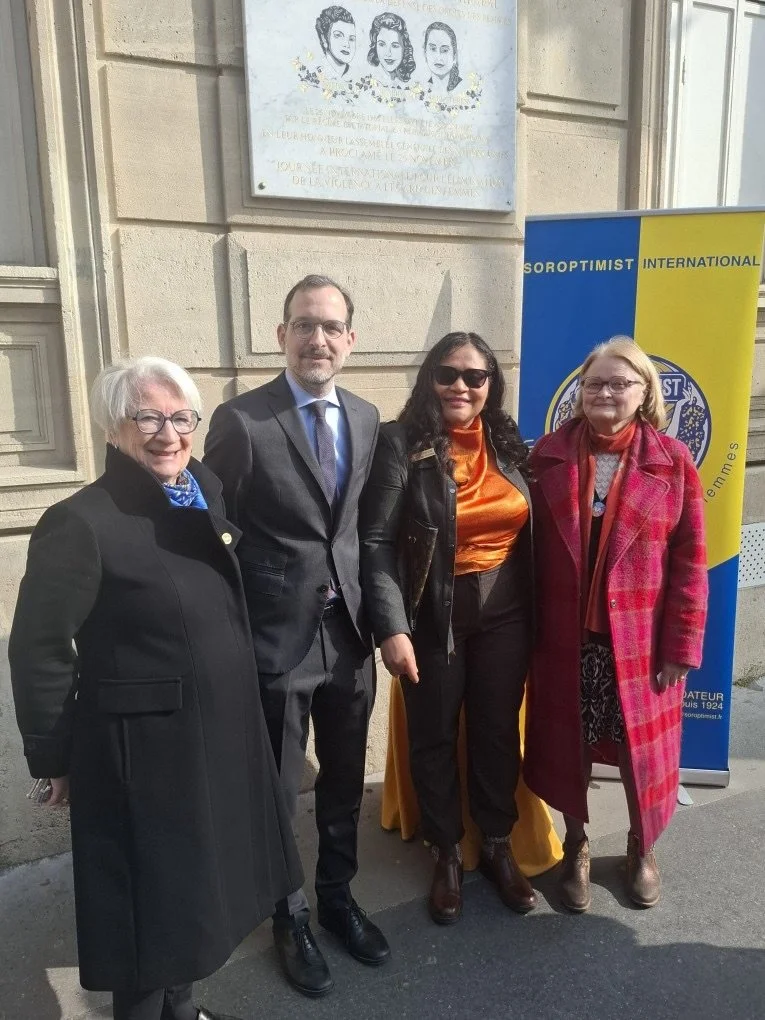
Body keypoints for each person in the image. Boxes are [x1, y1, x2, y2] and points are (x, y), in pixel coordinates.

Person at [9, 357, 303, 1020]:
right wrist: (54, 757)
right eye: (147, 419)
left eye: (180, 417)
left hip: (213, 735)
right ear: (113, 429)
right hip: (140, 754)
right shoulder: (81, 522)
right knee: (148, 921)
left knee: (191, 900)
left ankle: (183, 1009)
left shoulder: (201, 488)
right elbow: (38, 647)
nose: (168, 434)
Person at [203, 275, 388, 998]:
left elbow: (361, 530)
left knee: (343, 779)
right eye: (304, 325)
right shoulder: (243, 421)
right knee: (278, 790)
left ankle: (337, 897)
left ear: (350, 340)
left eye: (331, 326)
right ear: (281, 335)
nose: (318, 339)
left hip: (348, 635)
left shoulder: (367, 417)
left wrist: (386, 620)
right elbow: (217, 533)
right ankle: (289, 915)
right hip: (276, 637)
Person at [361, 332, 542, 925]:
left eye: (474, 376)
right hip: (433, 613)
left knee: (496, 730)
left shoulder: (508, 442)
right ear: (429, 379)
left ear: (492, 384)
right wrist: (391, 626)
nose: (460, 386)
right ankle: (445, 850)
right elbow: (377, 541)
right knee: (433, 733)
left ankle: (496, 843)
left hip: (507, 611)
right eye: (447, 374)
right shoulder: (400, 442)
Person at [524, 336, 708, 912]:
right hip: (563, 637)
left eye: (619, 383)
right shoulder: (546, 456)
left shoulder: (672, 461)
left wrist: (681, 645)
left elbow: (691, 559)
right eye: (594, 383)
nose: (604, 392)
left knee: (641, 756)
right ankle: (576, 844)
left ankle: (641, 846)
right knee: (568, 747)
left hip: (640, 642)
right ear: (580, 391)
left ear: (644, 391)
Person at [367, 11, 416, 83]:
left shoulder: (409, 82)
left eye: (395, 46)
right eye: (382, 44)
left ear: (404, 48)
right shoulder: (369, 78)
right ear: (375, 45)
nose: (388, 53)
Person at [315, 6, 356, 80]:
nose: (347, 44)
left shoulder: (357, 78)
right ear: (324, 39)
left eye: (351, 39)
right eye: (338, 35)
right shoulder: (313, 76)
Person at [423, 22, 462, 93]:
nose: (438, 57)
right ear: (425, 53)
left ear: (454, 55)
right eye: (433, 49)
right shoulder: (422, 89)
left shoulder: (464, 88)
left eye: (444, 50)